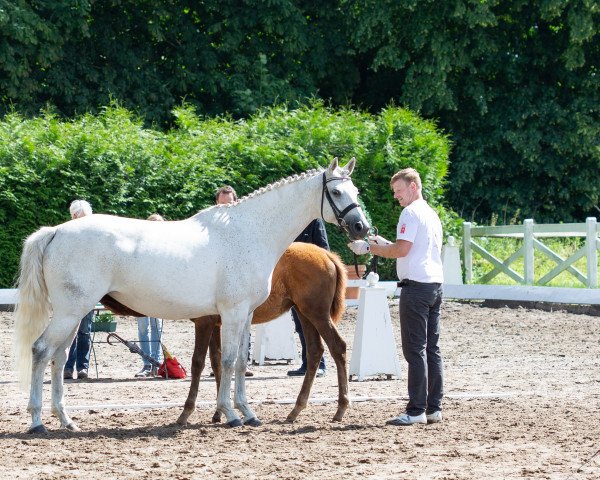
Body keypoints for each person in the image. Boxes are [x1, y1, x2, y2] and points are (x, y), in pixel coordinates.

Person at [348, 168, 444, 426]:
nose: (396, 197)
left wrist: (368, 247)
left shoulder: (410, 213)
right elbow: (411, 248)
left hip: (416, 288)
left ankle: (416, 410)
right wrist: (381, 242)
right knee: (431, 349)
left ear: (413, 186)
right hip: (434, 285)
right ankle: (434, 407)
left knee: (415, 350)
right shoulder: (430, 214)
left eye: (399, 191)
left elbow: (401, 251)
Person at [214, 185, 254, 377]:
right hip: (217, 282)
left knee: (244, 321)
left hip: (239, 282)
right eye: (222, 204)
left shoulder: (244, 226)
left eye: (229, 204)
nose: (225, 208)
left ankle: (243, 363)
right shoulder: (211, 225)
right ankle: (217, 365)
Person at [287, 219, 328, 378]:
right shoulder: (289, 222)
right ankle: (307, 362)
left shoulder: (315, 222)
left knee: (316, 324)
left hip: (311, 282)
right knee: (300, 325)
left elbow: (324, 250)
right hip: (293, 283)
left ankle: (320, 363)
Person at [64, 200, 94, 380]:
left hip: (89, 290)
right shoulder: (67, 236)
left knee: (84, 331)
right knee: (70, 331)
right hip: (71, 291)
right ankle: (68, 367)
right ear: (74, 216)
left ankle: (83, 367)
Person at [135, 213, 165, 377]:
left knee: (156, 327)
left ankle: (156, 361)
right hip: (141, 291)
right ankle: (147, 362)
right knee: (143, 327)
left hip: (158, 291)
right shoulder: (140, 246)